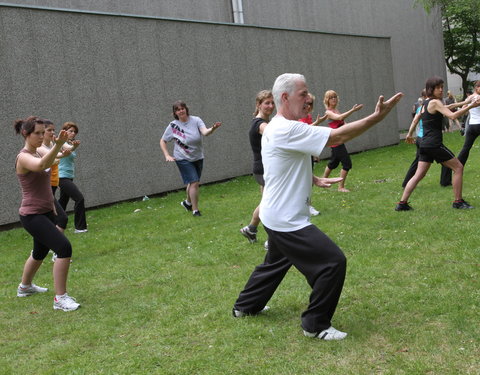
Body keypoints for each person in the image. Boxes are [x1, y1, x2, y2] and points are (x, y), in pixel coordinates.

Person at [232, 73, 403, 340]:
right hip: (286, 219)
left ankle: (244, 306)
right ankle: (315, 324)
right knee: (332, 262)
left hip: (274, 214)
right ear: (285, 98)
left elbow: (281, 163)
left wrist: (312, 178)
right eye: (303, 93)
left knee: (275, 263)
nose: (309, 97)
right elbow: (336, 137)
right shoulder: (286, 128)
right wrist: (376, 118)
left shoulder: (278, 126)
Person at [14, 116, 80, 311]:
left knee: (40, 252)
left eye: (44, 133)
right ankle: (60, 299)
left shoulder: (38, 150)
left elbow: (55, 157)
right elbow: (42, 165)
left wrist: (64, 149)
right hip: (32, 215)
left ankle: (25, 287)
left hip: (45, 211)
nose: (42, 136)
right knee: (64, 248)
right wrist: (58, 144)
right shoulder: (24, 156)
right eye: (38, 133)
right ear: (26, 134)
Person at [396, 76, 480, 211]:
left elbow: (449, 106)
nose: (441, 90)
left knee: (419, 174)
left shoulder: (426, 102)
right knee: (458, 167)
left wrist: (466, 101)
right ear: (431, 89)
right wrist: (470, 105)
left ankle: (402, 204)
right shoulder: (435, 102)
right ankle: (458, 201)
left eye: (442, 87)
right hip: (433, 144)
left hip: (424, 144)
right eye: (438, 88)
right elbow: (452, 115)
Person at [160, 100, 222, 216]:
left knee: (192, 182)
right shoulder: (173, 126)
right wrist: (167, 155)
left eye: (182, 108)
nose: (181, 111)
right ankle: (195, 210)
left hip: (197, 156)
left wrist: (213, 128)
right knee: (194, 182)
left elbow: (205, 132)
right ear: (175, 113)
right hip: (182, 158)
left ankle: (187, 203)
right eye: (178, 110)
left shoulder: (196, 120)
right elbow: (163, 141)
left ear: (186, 109)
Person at [240, 90, 275, 244]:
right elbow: (272, 133)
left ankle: (251, 229)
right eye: (267, 103)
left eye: (273, 103)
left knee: (266, 203)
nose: (271, 106)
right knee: (273, 204)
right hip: (263, 169)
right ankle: (272, 240)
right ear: (259, 105)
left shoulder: (265, 122)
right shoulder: (259, 124)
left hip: (265, 169)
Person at [401, 96, 452, 188]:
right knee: (447, 159)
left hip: (421, 139)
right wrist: (409, 134)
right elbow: (415, 120)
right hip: (427, 138)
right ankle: (445, 181)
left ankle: (406, 183)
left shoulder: (421, 108)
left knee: (417, 162)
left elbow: (415, 120)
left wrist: (409, 134)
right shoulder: (430, 106)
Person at [322, 90, 364, 192]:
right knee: (347, 164)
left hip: (339, 141)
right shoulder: (328, 112)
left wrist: (357, 128)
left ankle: (323, 181)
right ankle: (340, 187)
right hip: (336, 142)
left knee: (333, 163)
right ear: (327, 100)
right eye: (331, 97)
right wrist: (352, 110)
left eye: (335, 97)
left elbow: (344, 123)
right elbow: (339, 118)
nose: (334, 99)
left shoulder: (336, 110)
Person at [299, 93, 328, 216]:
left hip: (307, 153)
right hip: (298, 154)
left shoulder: (308, 116)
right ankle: (303, 206)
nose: (308, 106)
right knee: (301, 181)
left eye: (310, 103)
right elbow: (303, 132)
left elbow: (310, 136)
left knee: (308, 180)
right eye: (306, 103)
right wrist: (317, 122)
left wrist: (314, 152)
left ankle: (307, 205)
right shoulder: (296, 117)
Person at [39, 120, 69, 232]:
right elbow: (50, 160)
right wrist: (60, 152)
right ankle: (56, 245)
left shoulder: (51, 144)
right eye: (49, 130)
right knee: (62, 218)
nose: (52, 132)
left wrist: (63, 153)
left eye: (53, 130)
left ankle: (40, 249)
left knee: (49, 219)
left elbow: (56, 156)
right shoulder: (40, 147)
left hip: (53, 183)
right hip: (45, 188)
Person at [58, 122, 87, 233]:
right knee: (79, 198)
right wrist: (74, 146)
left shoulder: (69, 143)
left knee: (62, 203)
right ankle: (80, 228)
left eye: (74, 132)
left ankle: (56, 225)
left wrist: (73, 146)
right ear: (65, 131)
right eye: (70, 131)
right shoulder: (60, 142)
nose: (73, 133)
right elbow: (69, 149)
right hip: (62, 177)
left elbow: (70, 148)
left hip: (69, 176)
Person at [457, 81, 480, 167]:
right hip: (478, 124)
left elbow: (463, 109)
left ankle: (458, 166)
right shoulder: (478, 97)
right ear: (476, 88)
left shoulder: (469, 98)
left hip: (471, 126)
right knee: (466, 148)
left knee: (466, 148)